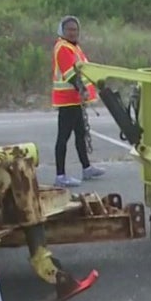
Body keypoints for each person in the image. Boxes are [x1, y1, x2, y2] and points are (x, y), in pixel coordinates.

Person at [51, 15, 105, 187]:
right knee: (63, 137)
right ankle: (60, 175)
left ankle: (86, 167)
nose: (73, 32)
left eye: (75, 30)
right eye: (70, 30)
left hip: (75, 100)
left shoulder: (74, 48)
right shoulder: (63, 48)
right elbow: (70, 74)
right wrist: (81, 90)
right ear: (62, 31)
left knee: (80, 134)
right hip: (67, 100)